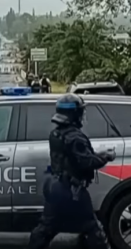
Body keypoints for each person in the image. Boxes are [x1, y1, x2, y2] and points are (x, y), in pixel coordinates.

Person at [28, 93, 115, 249]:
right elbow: (87, 162)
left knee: (46, 228)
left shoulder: (56, 133)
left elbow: (73, 158)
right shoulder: (75, 137)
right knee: (94, 229)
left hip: (55, 186)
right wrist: (106, 157)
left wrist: (97, 155)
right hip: (72, 190)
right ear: (75, 113)